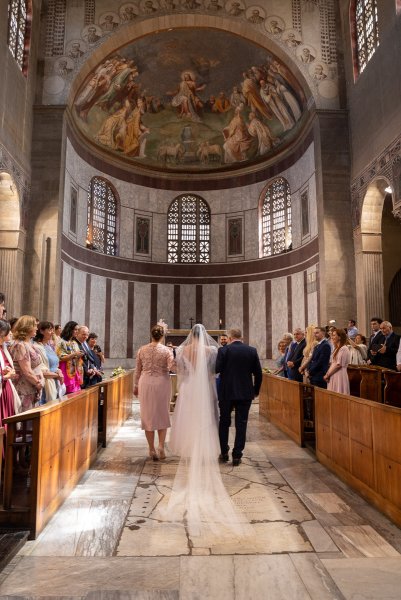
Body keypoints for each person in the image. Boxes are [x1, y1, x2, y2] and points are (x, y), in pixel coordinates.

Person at [167, 324, 250, 539]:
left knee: (187, 417)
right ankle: (209, 446)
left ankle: (187, 446)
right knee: (207, 419)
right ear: (204, 336)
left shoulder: (182, 351)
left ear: (189, 336)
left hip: (188, 388)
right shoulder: (212, 351)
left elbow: (180, 371)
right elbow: (216, 370)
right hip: (205, 387)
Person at [215, 327, 262, 466]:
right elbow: (258, 373)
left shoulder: (223, 350)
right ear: (241, 337)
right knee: (241, 423)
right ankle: (237, 455)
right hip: (245, 392)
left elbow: (217, 369)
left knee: (224, 422)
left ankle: (224, 452)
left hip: (226, 392)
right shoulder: (251, 350)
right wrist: (255, 390)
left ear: (229, 338)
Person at [134, 324, 175, 460]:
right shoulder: (167, 350)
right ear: (162, 336)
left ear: (151, 335)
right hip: (162, 382)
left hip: (145, 382)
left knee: (148, 416)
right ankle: (161, 446)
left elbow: (137, 370)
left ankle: (151, 449)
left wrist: (135, 386)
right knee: (162, 413)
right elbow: (173, 367)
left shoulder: (142, 350)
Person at [9, 316, 45, 411]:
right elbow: (27, 371)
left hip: (32, 389)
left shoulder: (28, 344)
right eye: (35, 326)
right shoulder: (20, 345)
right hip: (24, 390)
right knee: (25, 422)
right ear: (27, 327)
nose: (37, 328)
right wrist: (38, 383)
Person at [33, 321, 64, 403]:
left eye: (53, 330)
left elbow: (55, 364)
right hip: (45, 384)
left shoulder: (48, 346)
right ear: (41, 331)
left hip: (54, 381)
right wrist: (57, 375)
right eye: (50, 330)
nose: (52, 332)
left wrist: (59, 371)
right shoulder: (36, 347)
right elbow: (40, 370)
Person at [0, 320, 21, 436]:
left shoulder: (2, 348)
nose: (11, 334)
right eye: (9, 332)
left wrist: (5, 371)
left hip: (5, 390)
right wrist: (4, 376)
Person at [57, 321, 84, 393]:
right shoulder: (61, 342)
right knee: (68, 394)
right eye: (75, 329)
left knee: (76, 393)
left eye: (78, 330)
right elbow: (61, 358)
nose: (77, 331)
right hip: (65, 371)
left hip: (74, 371)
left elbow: (77, 357)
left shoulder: (74, 342)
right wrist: (75, 354)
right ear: (69, 329)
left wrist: (79, 356)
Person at [324, 328, 350, 394]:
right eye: (331, 335)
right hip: (333, 374)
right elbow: (333, 363)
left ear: (340, 337)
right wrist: (327, 374)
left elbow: (339, 365)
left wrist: (328, 375)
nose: (331, 337)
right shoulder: (336, 349)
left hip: (339, 374)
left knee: (339, 393)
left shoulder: (343, 348)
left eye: (334, 335)